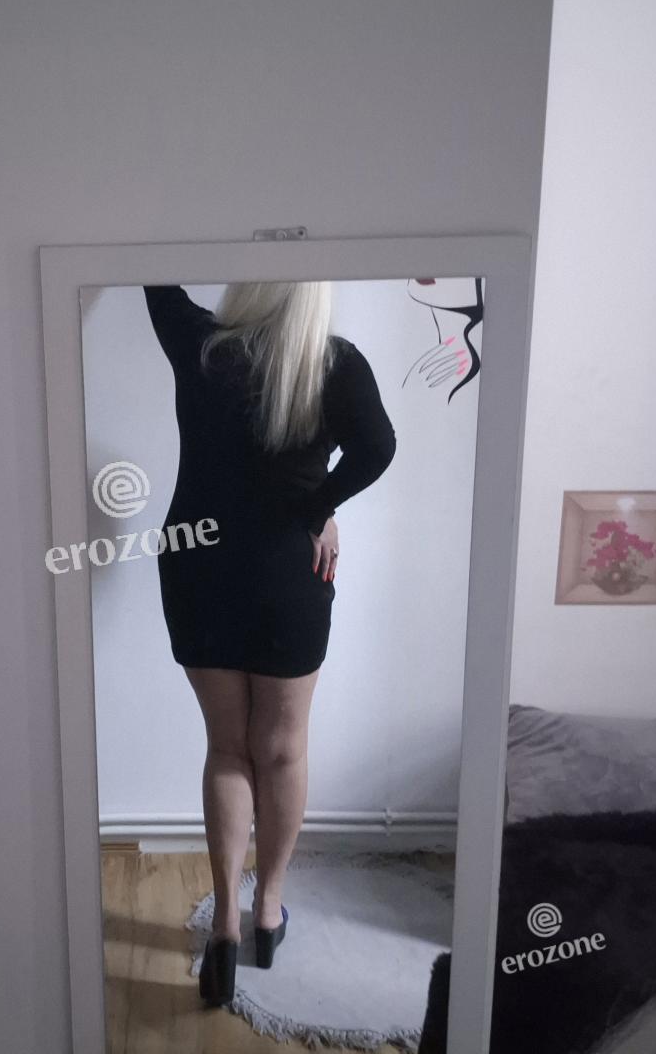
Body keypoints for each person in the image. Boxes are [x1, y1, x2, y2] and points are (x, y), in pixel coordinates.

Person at [142, 282, 397, 1008]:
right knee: (281, 750)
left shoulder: (201, 346)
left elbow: (155, 277)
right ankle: (267, 910)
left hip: (198, 564)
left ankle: (223, 925)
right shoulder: (333, 362)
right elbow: (378, 448)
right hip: (288, 566)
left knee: (228, 748)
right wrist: (318, 509)